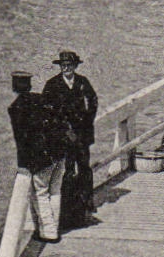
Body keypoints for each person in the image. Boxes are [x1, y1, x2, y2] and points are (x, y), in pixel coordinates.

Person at [43, 50, 99, 229]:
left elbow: (93, 101)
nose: (66, 68)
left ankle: (87, 202)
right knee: (66, 171)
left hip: (82, 134)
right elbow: (47, 111)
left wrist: (87, 121)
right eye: (63, 65)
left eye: (69, 65)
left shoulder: (83, 82)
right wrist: (63, 129)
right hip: (63, 136)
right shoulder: (52, 85)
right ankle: (66, 208)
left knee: (84, 168)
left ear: (75, 66)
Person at [7, 72, 65, 242]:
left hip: (42, 159)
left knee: (40, 193)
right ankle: (53, 226)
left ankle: (49, 232)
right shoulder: (41, 100)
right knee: (54, 191)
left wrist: (24, 164)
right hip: (58, 153)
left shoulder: (15, 108)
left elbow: (22, 139)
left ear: (14, 88)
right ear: (30, 86)